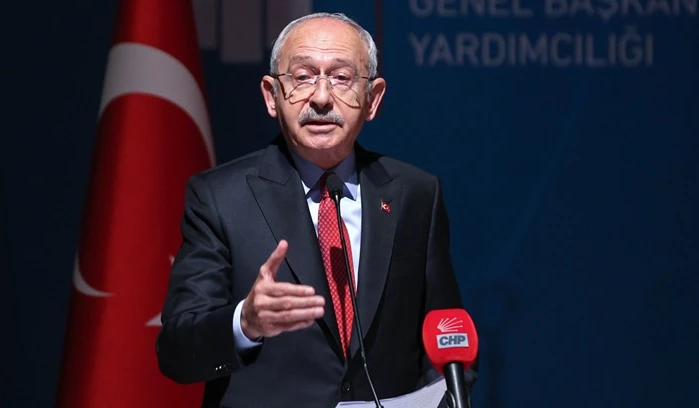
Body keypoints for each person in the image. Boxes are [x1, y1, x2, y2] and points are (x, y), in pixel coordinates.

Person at [156, 12, 475, 408]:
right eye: (303, 77)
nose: (321, 98)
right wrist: (245, 323)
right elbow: (176, 349)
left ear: (373, 99)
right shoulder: (220, 197)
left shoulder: (415, 194)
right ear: (271, 95)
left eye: (341, 77)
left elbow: (447, 337)